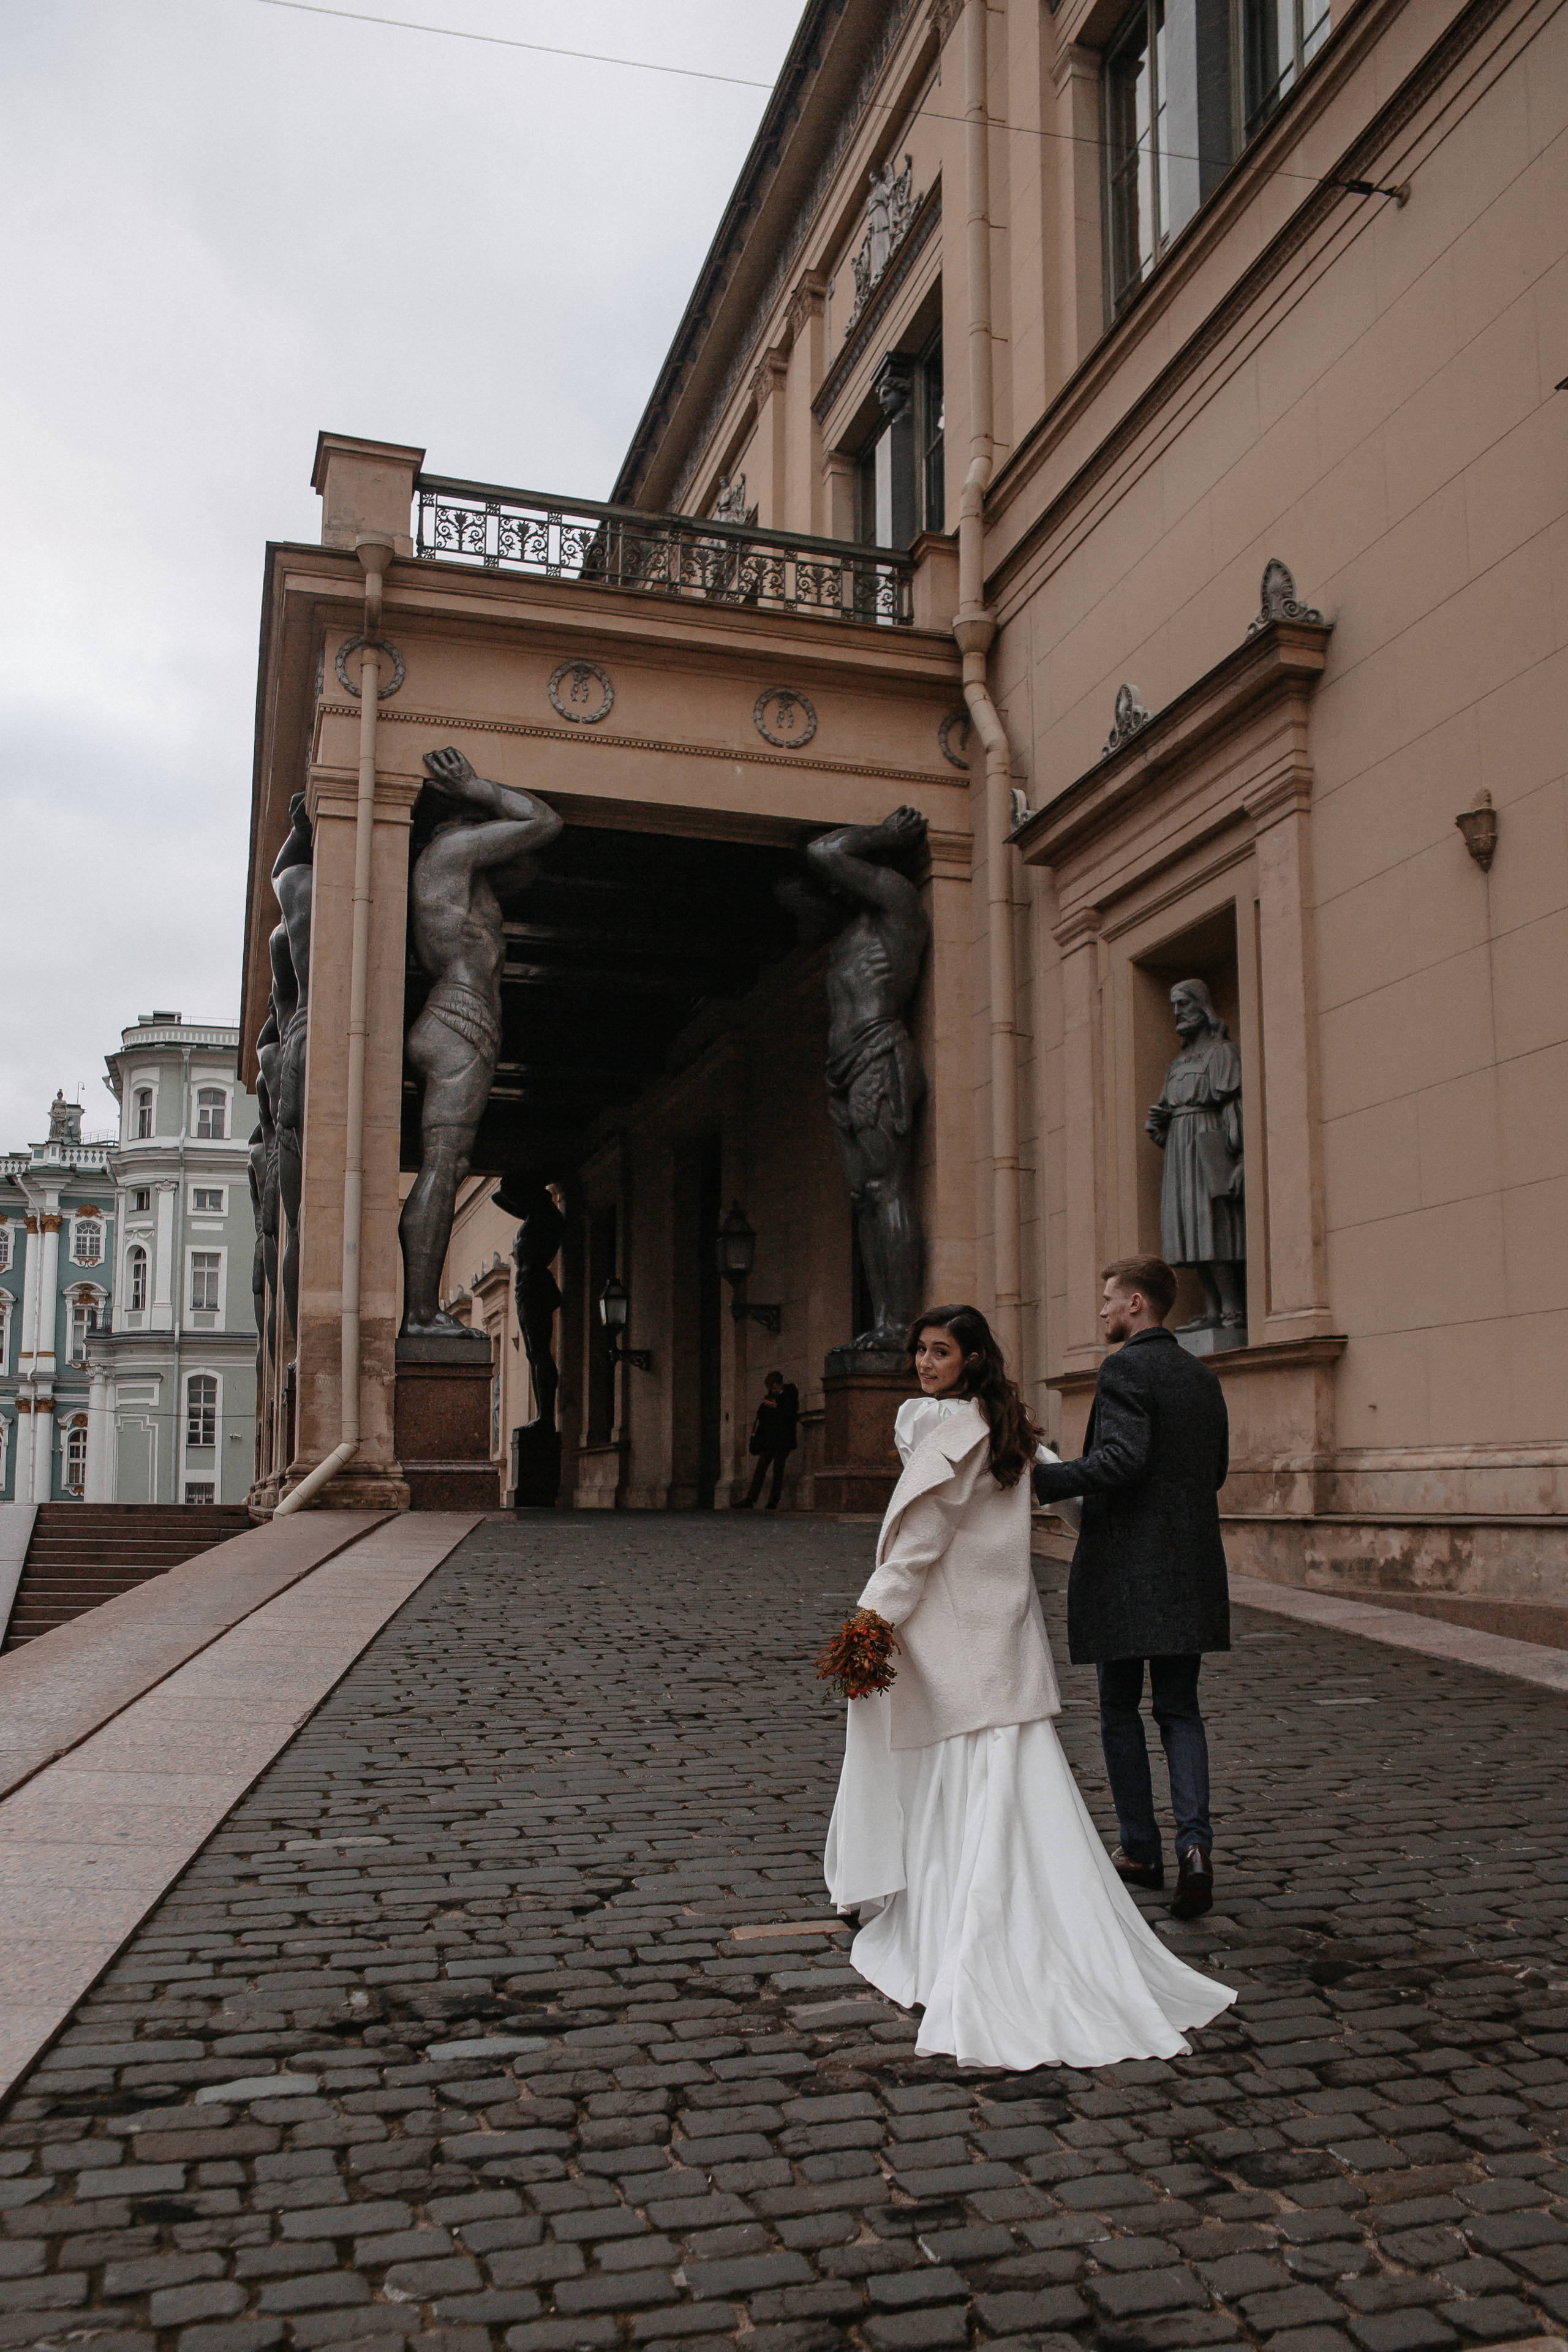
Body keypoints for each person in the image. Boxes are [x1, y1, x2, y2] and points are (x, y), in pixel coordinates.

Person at [823, 1303, 1234, 2071]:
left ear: (971, 1360)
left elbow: (917, 1547)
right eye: (918, 1350)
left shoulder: (957, 1437)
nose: (923, 1362)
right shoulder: (1007, 1430)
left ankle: (970, 1932)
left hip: (957, 1644)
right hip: (997, 1644)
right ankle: (1030, 1916)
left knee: (972, 1793)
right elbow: (1076, 1506)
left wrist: (868, 1623)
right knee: (999, 1799)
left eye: (939, 1352)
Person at [1032, 1254, 1231, 1921]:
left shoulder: (1124, 1368)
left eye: (1110, 1298)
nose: (1103, 1310)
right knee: (1179, 1710)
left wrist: (1043, 1478)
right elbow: (1216, 1471)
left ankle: (1142, 1850)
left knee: (1119, 1708)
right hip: (1191, 1566)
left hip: (1124, 1568)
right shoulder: (1202, 1376)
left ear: (1138, 1305)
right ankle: (1196, 1851)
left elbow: (1122, 1459)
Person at [736, 1371, 799, 1510]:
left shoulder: (791, 1392)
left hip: (784, 1440)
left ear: (781, 1384)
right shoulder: (770, 1397)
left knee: (778, 1469)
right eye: (772, 1388)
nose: (774, 1391)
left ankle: (773, 1502)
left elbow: (792, 1413)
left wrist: (777, 1407)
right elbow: (762, 1418)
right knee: (761, 1467)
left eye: (776, 1388)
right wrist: (765, 1407)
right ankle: (751, 1499)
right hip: (770, 1440)